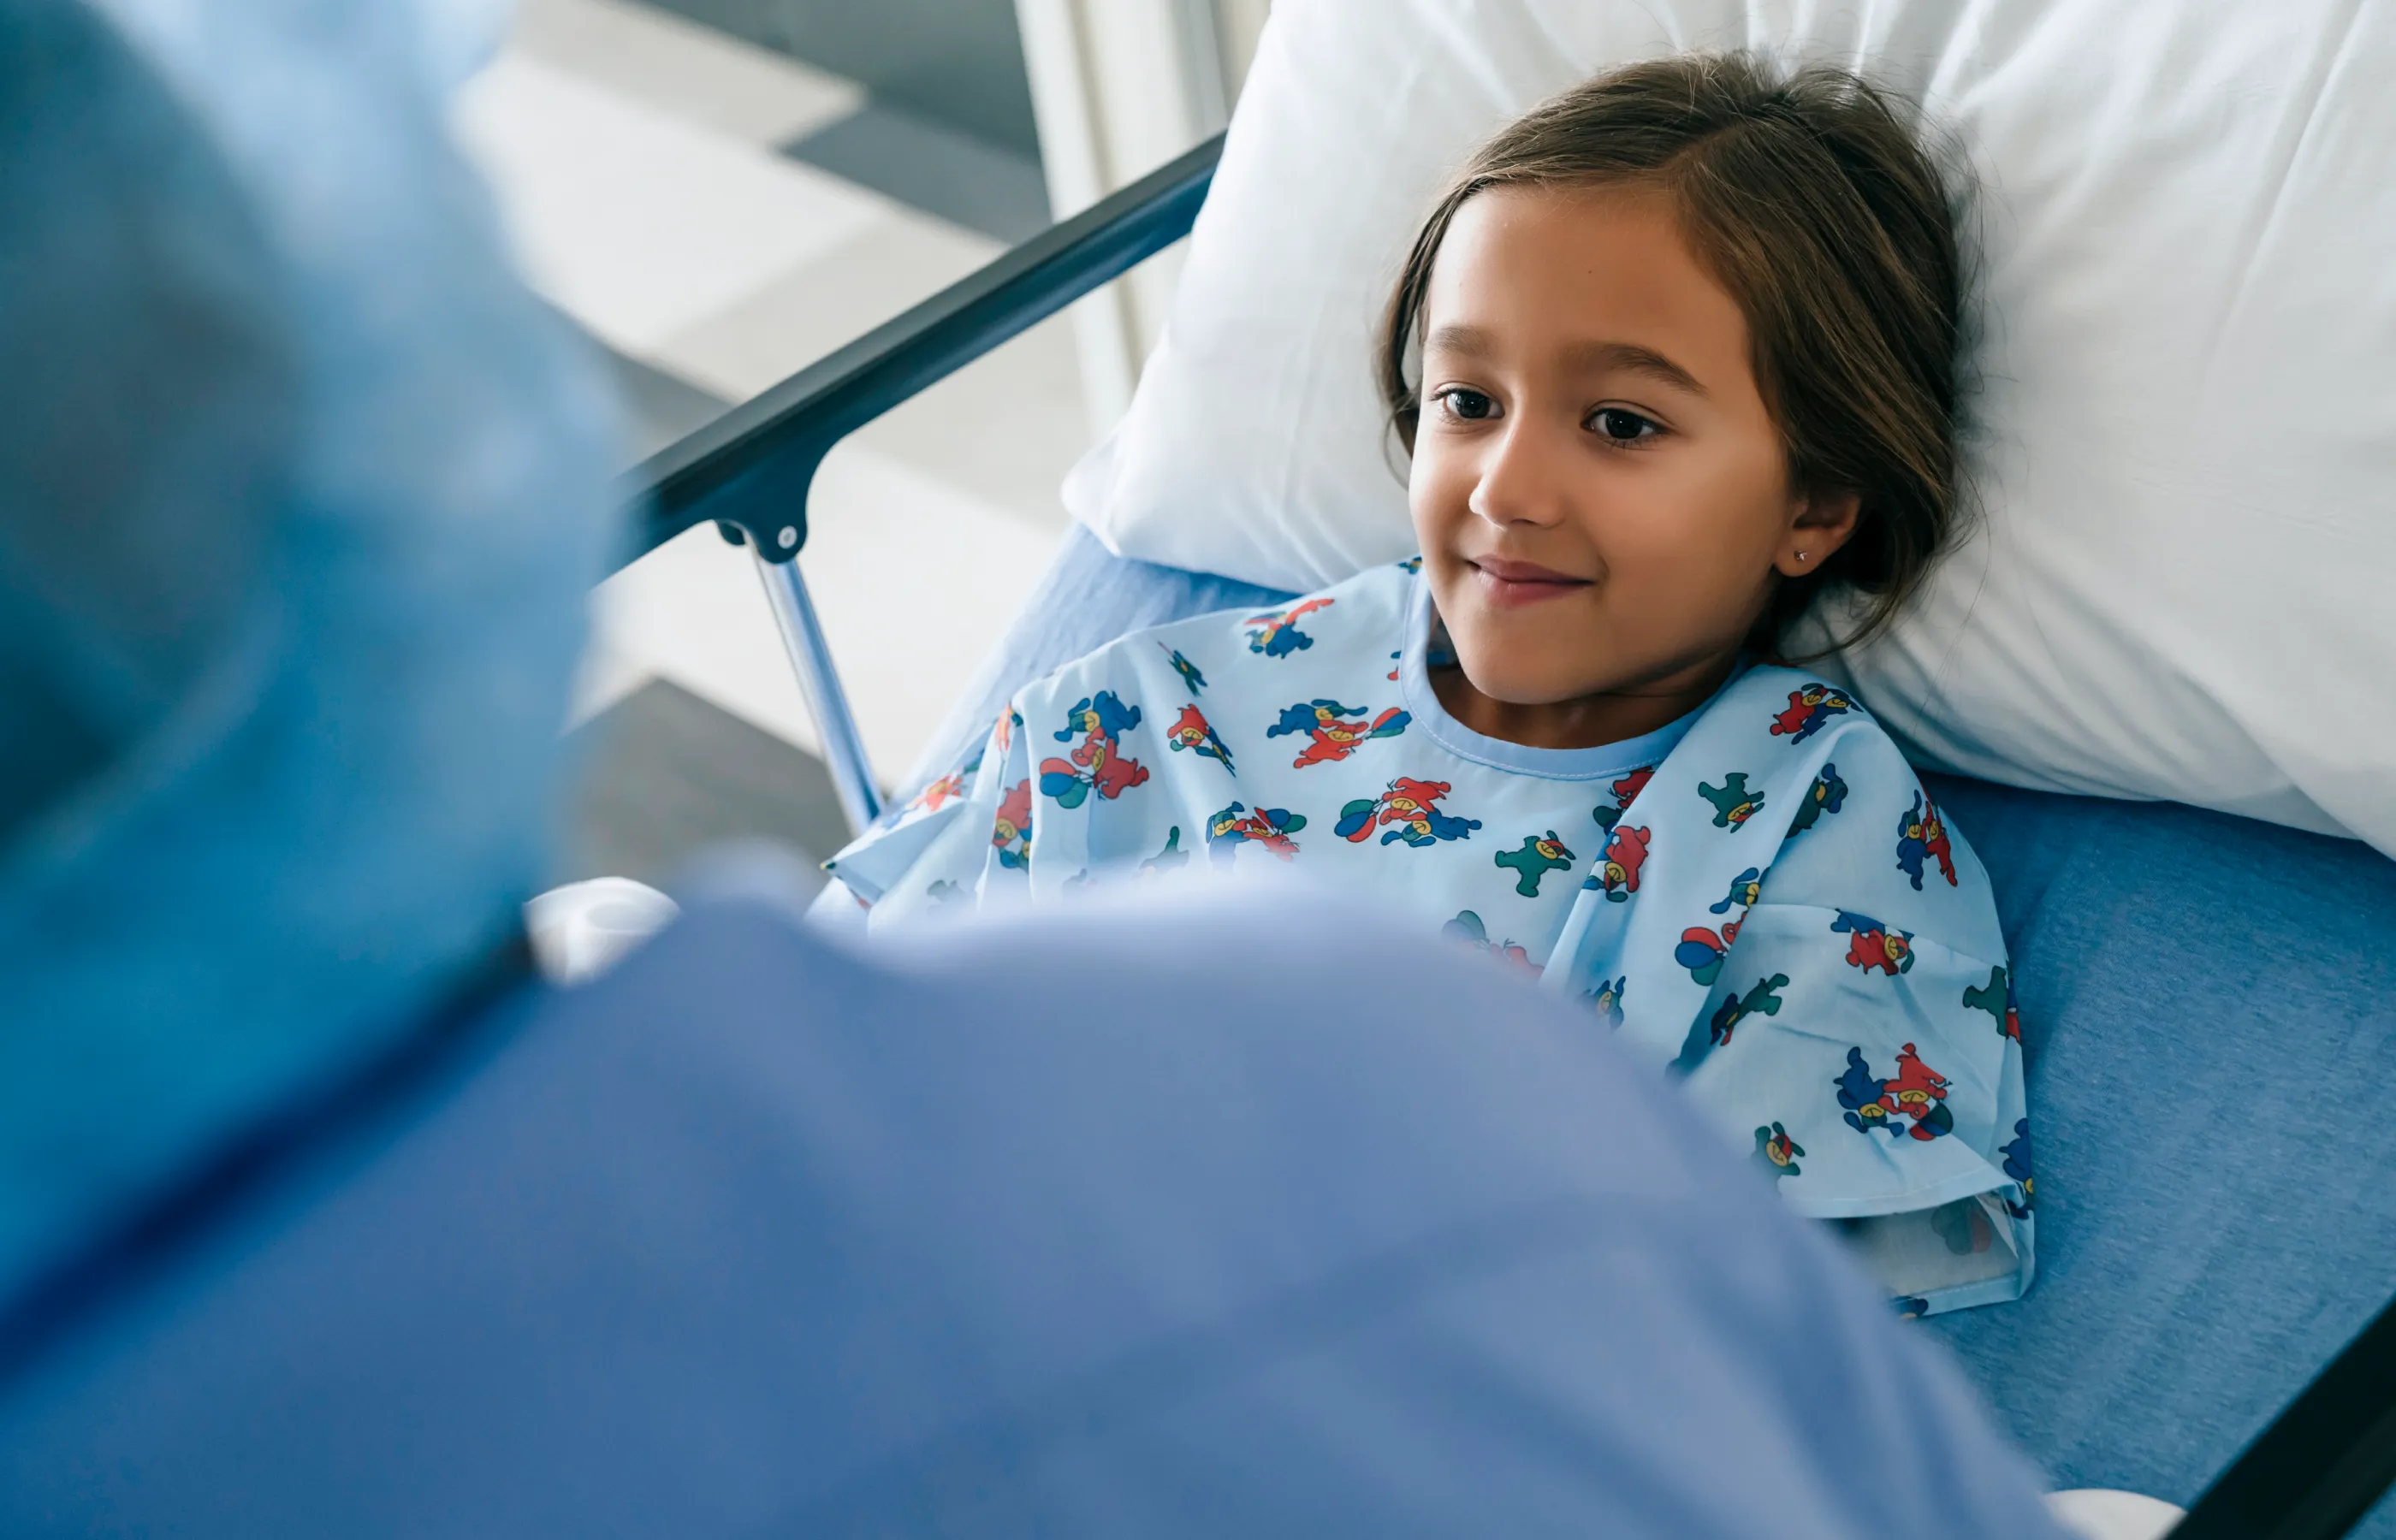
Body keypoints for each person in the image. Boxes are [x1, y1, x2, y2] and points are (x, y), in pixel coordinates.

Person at [823, 56, 2029, 1319]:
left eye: (1621, 424)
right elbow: (846, 1065)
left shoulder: (1814, 838)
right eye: (1467, 400)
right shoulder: (1148, 717)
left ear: (1818, 504)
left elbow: (1728, 1346)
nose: (1505, 490)